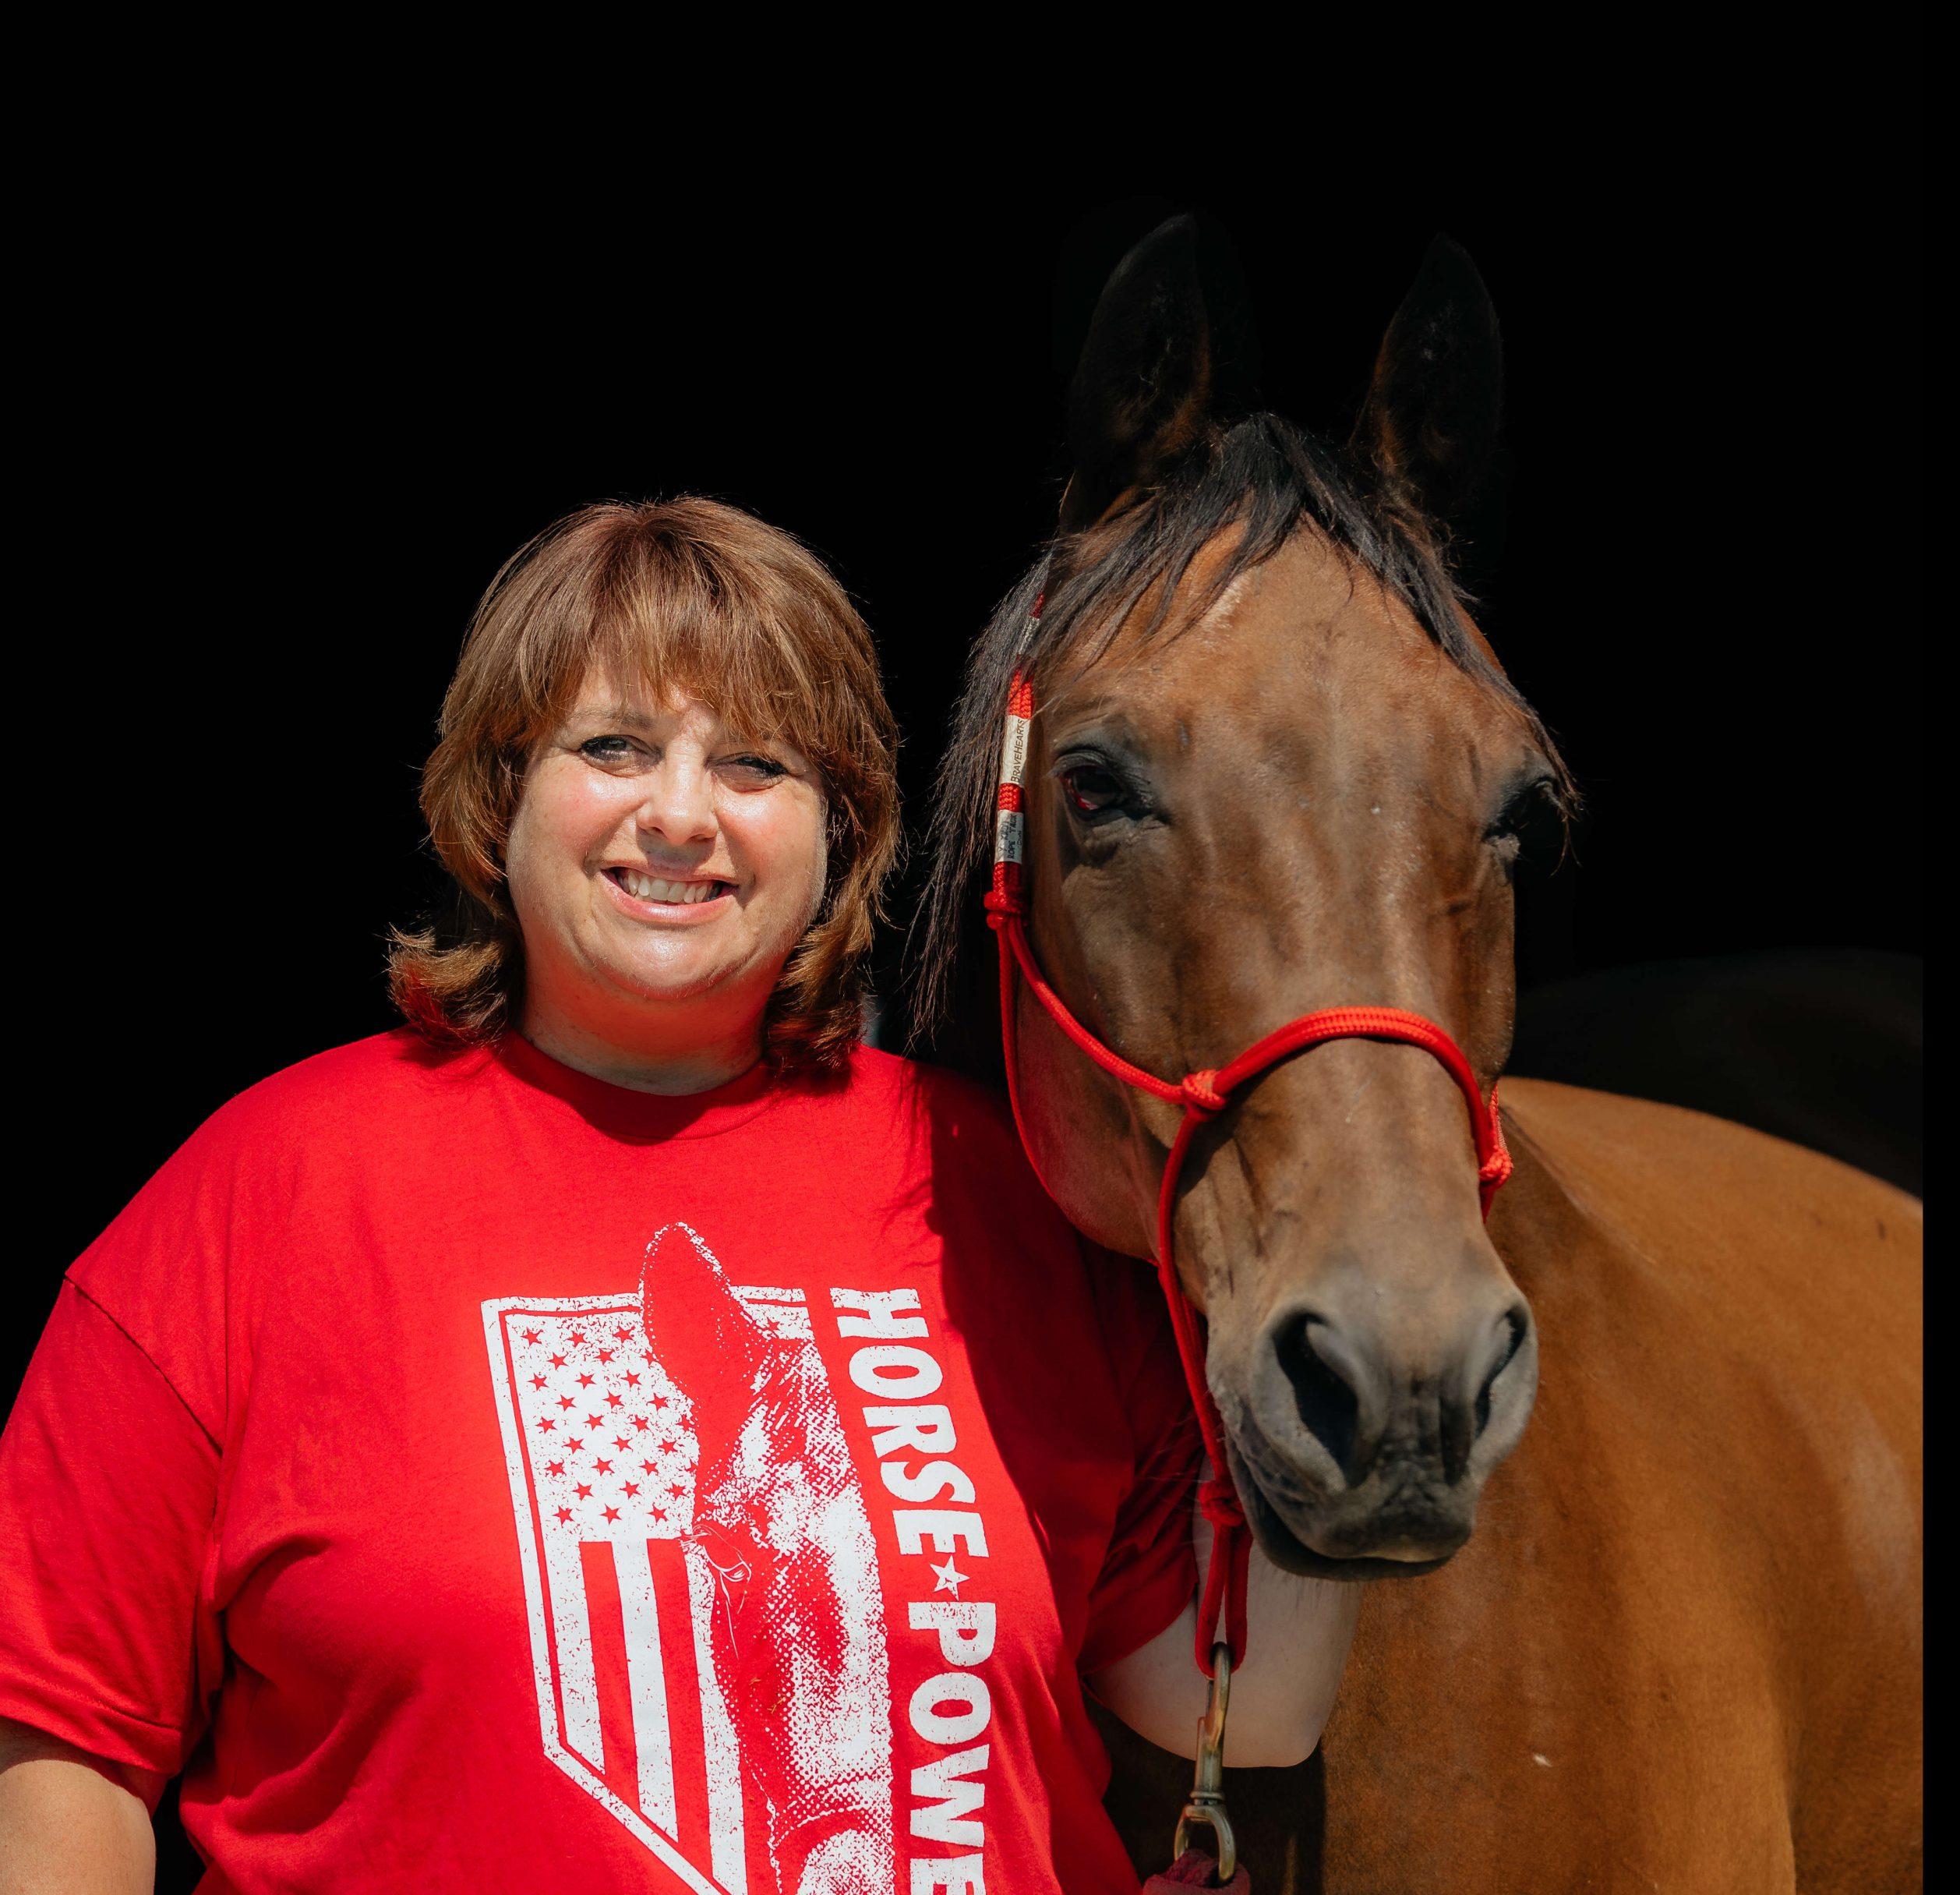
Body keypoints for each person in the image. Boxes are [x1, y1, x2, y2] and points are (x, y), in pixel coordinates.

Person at [0, 499, 1358, 1894]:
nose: (681, 814)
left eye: (757, 763)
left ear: (841, 831)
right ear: (497, 791)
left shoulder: (991, 1188)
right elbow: (59, 1751)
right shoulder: (264, 1190)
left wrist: (1362, 1202)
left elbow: (1247, 1705)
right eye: (614, 747)